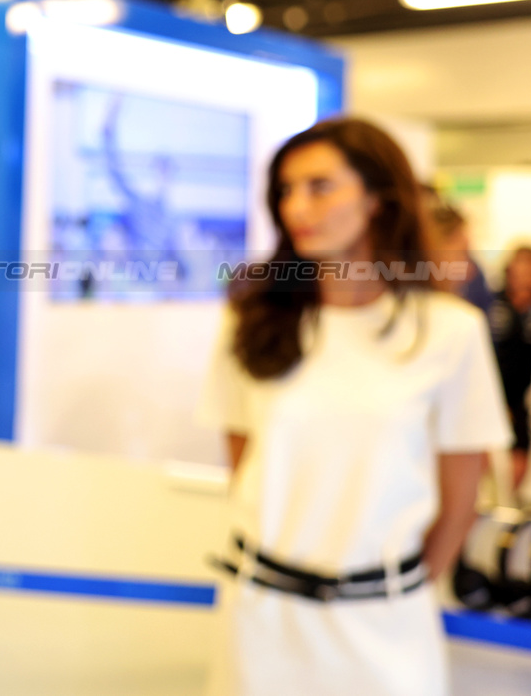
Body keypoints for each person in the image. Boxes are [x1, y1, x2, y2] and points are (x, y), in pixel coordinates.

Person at [198, 118, 510, 696]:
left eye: (320, 186)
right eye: (285, 191)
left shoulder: (447, 332)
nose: (297, 207)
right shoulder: (252, 319)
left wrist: (391, 586)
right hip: (260, 620)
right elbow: (245, 461)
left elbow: (460, 495)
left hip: (385, 627)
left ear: (377, 199)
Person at [489, 246, 531, 491]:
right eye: (518, 270)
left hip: (525, 395)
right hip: (491, 391)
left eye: (530, 271)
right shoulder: (493, 303)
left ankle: (512, 499)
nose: (523, 277)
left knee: (521, 451)